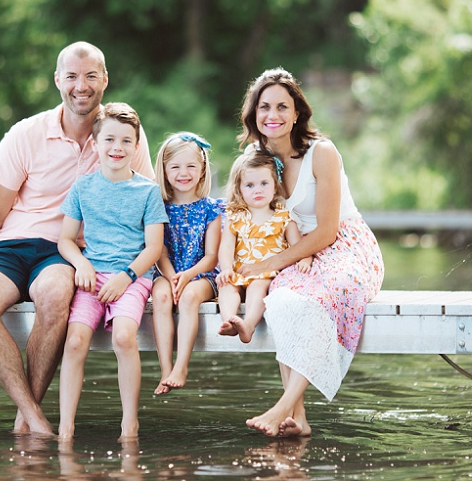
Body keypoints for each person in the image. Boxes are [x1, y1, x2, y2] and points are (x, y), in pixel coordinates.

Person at [0, 42, 155, 436]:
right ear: (58, 80)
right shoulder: (25, 134)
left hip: (64, 251)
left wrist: (150, 272)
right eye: (72, 76)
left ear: (105, 80)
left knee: (53, 296)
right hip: (8, 246)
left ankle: (25, 420)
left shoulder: (122, 136)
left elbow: (145, 199)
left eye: (91, 76)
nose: (82, 85)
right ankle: (32, 415)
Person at [237, 67, 384, 437]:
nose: (273, 115)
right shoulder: (257, 156)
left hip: (344, 246)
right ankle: (298, 420)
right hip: (294, 249)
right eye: (264, 107)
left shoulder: (322, 153)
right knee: (283, 300)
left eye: (282, 107)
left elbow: (327, 230)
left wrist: (272, 261)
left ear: (297, 112)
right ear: (254, 114)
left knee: (330, 290)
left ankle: (284, 405)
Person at [56, 102, 168, 442]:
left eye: (125, 141)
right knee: (74, 342)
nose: (117, 148)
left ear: (136, 146)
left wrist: (127, 277)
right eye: (109, 140)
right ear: (96, 144)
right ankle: (65, 427)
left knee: (123, 337)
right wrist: (82, 263)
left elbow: (153, 248)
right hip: (92, 277)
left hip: (132, 278)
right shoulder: (82, 187)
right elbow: (65, 240)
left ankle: (129, 424)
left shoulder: (147, 191)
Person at [150, 132, 223, 396]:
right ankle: (165, 369)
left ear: (203, 170)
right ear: (165, 170)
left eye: (191, 166)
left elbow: (212, 256)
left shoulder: (211, 209)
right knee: (160, 296)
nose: (184, 173)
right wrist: (172, 278)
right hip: (166, 271)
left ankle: (181, 366)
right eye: (176, 167)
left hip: (202, 274)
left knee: (190, 296)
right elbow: (160, 252)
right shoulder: (158, 208)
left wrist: (187, 276)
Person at [215, 151, 307, 344]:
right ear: (239, 190)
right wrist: (226, 269)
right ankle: (229, 321)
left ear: (275, 186)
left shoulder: (283, 217)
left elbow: (298, 246)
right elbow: (226, 247)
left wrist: (305, 259)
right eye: (250, 185)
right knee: (226, 287)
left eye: (264, 183)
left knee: (257, 287)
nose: (258, 190)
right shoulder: (236, 216)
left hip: (266, 274)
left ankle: (248, 324)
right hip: (240, 272)